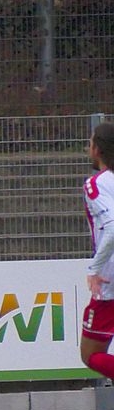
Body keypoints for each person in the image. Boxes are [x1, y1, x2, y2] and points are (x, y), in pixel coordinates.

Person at [81, 122, 114, 383]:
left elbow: (113, 226)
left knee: (90, 354)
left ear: (98, 149)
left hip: (108, 281)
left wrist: (94, 269)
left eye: (90, 143)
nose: (87, 148)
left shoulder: (96, 185)